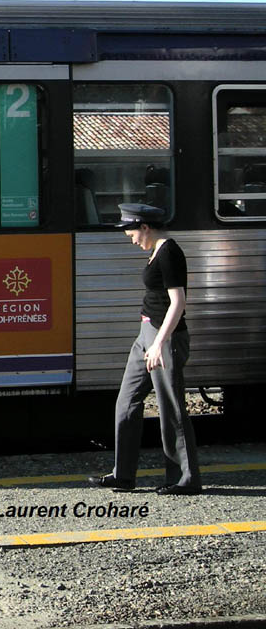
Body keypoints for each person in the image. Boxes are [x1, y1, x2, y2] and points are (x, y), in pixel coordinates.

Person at [89, 203, 201, 495]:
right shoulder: (155, 251)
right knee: (126, 402)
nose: (132, 239)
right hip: (147, 333)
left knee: (171, 408)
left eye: (132, 234)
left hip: (166, 337)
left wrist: (159, 343)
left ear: (145, 227)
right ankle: (123, 475)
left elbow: (178, 303)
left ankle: (186, 479)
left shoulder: (169, 252)